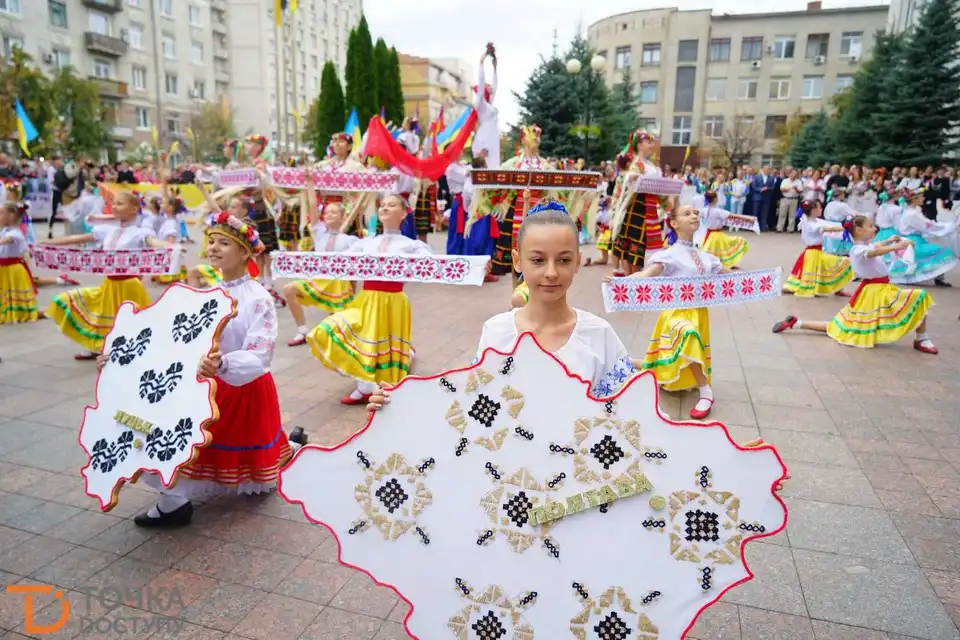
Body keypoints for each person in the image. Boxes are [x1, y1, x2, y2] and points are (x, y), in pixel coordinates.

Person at [113, 212, 307, 527]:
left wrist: (224, 363)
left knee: (193, 445)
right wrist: (123, 354)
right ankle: (173, 501)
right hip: (201, 382)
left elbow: (260, 354)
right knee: (162, 435)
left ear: (245, 252)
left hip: (239, 388)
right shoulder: (209, 292)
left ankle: (174, 501)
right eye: (212, 242)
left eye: (224, 243)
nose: (214, 248)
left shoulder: (258, 298)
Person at [371, 209, 638, 412]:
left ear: (578, 262)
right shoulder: (497, 331)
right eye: (537, 260)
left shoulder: (598, 335)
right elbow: (473, 404)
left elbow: (632, 409)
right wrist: (400, 404)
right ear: (517, 261)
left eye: (564, 260)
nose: (551, 272)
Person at [307, 194, 430, 405]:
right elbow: (340, 260)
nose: (385, 208)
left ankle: (374, 388)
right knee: (330, 329)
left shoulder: (412, 246)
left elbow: (434, 267)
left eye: (391, 205)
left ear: (403, 214)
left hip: (393, 300)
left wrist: (476, 268)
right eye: (382, 205)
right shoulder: (365, 243)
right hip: (366, 298)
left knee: (383, 347)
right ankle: (366, 383)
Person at [44, 192, 181, 360]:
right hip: (109, 283)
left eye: (120, 203)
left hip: (129, 285)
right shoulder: (106, 230)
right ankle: (96, 346)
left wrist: (172, 246)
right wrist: (49, 243)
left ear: (133, 209)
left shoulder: (139, 232)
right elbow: (78, 238)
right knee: (73, 302)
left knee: (131, 321)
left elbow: (153, 243)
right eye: (114, 203)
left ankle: (130, 351)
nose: (115, 206)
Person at [774, 216, 937, 354]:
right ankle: (921, 339)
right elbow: (874, 252)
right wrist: (896, 246)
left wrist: (890, 240)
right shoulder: (857, 250)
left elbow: (876, 247)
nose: (874, 228)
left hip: (875, 291)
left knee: (840, 325)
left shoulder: (864, 246)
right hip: (875, 292)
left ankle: (798, 322)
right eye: (870, 226)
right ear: (859, 230)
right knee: (919, 297)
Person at [622, 206, 724, 420]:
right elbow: (648, 273)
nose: (694, 215)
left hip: (698, 312)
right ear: (674, 223)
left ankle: (630, 361)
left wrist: (763, 281)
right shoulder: (669, 255)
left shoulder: (706, 257)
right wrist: (623, 283)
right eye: (687, 214)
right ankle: (706, 392)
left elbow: (730, 277)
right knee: (688, 336)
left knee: (670, 357)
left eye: (696, 212)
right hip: (675, 313)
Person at [284, 172, 358, 346]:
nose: (329, 214)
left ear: (343, 217)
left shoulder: (351, 241)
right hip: (319, 279)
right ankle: (302, 330)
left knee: (335, 330)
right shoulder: (319, 233)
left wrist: (352, 293)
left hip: (339, 283)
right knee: (289, 289)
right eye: (327, 212)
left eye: (334, 212)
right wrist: (310, 184)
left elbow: (354, 270)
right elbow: (312, 205)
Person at [610, 130, 664, 275]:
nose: (651, 146)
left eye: (651, 142)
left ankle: (638, 278)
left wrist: (666, 205)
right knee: (634, 249)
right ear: (639, 145)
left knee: (644, 247)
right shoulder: (637, 164)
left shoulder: (651, 165)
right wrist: (632, 177)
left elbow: (659, 190)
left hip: (650, 211)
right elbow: (628, 180)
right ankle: (632, 279)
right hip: (638, 209)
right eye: (648, 142)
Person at [783, 199, 853, 297]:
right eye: (819, 207)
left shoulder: (812, 221)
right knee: (843, 262)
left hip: (815, 252)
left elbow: (829, 225)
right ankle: (836, 288)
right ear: (813, 210)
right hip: (813, 254)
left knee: (827, 268)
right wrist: (846, 227)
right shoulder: (811, 224)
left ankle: (836, 288)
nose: (821, 209)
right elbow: (830, 228)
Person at [888, 187, 957, 287]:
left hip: (913, 240)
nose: (923, 198)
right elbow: (928, 225)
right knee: (943, 251)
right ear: (914, 199)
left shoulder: (909, 211)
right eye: (921, 197)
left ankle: (937, 278)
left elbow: (925, 225)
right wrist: (950, 225)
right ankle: (937, 278)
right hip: (913, 242)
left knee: (934, 253)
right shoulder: (912, 214)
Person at [0, 202, 42, 323]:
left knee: (13, 293)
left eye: (1, 213)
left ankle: (18, 312)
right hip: (4, 269)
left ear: (11, 216)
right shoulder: (5, 231)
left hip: (13, 269)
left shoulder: (15, 233)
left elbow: (5, 241)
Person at [823, 187, 855, 256]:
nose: (844, 195)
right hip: (838, 226)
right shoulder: (842, 205)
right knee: (839, 243)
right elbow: (851, 214)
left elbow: (825, 214)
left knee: (829, 242)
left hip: (828, 225)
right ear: (840, 195)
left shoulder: (829, 204)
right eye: (843, 194)